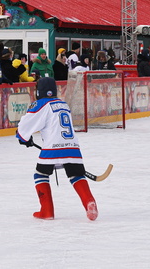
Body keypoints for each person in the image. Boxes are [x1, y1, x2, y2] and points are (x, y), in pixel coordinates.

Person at [15, 77, 97, 221]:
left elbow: (24, 128)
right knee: (76, 175)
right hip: (72, 147)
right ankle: (89, 202)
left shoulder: (40, 104)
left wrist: (24, 139)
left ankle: (47, 211)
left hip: (52, 148)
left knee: (40, 174)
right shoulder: (63, 104)